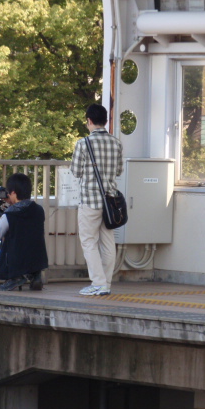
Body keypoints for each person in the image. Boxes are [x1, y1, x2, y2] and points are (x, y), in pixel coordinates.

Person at [71, 104, 123, 296]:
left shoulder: (83, 144)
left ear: (89, 121)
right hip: (110, 201)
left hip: (90, 201)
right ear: (106, 121)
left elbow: (76, 171)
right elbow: (118, 171)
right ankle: (106, 283)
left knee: (89, 241)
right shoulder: (116, 143)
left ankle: (98, 283)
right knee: (108, 243)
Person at [0, 173, 48, 291]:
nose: (7, 194)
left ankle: (14, 277)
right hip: (36, 260)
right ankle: (33, 275)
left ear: (13, 193)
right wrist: (12, 202)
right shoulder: (39, 210)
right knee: (24, 251)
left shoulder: (10, 214)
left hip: (15, 259)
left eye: (9, 192)